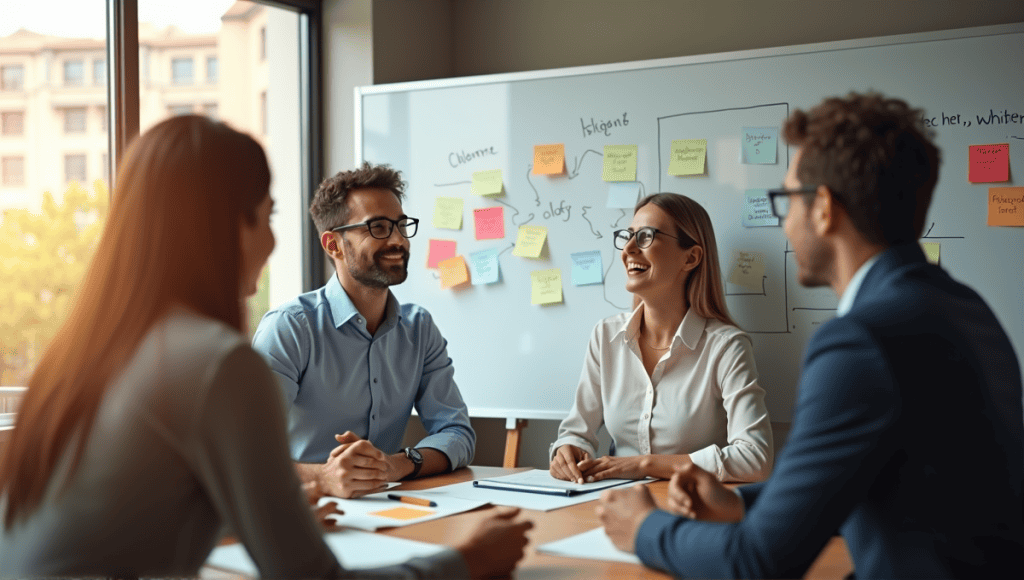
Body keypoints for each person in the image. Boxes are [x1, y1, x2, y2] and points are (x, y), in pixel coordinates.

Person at [0, 116, 531, 578]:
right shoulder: (218, 360)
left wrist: (281, 501)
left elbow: (143, 503)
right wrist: (467, 560)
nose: (275, 241)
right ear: (227, 224)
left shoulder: (94, 346)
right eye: (268, 214)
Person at [597, 93, 1024, 578]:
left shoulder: (860, 341)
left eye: (787, 199)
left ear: (822, 208)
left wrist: (643, 528)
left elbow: (757, 562)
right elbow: (885, 490)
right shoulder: (965, 307)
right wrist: (742, 504)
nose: (784, 224)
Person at [252, 162, 476, 499]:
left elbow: (456, 431)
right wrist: (324, 477)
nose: (399, 240)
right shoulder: (290, 328)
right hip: (306, 510)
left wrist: (398, 464)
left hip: (387, 506)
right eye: (379, 227)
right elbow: (244, 453)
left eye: (401, 225)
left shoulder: (418, 328)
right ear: (333, 245)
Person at [550, 193, 773, 484]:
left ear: (690, 257)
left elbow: (755, 459)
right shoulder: (605, 336)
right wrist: (567, 450)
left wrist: (644, 465)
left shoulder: (727, 347)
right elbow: (576, 432)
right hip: (617, 505)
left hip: (693, 509)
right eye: (628, 236)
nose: (628, 249)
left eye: (645, 237)